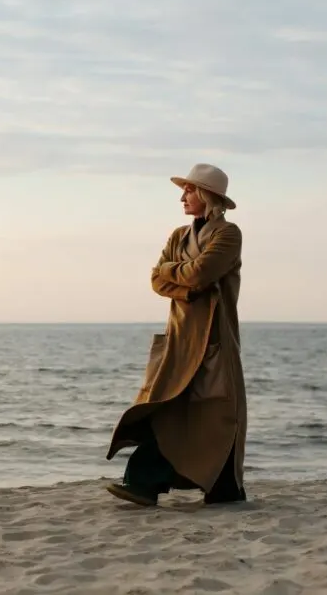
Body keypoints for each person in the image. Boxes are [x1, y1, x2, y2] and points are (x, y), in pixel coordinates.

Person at [105, 163, 248, 506]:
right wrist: (184, 286)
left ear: (206, 195)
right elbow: (157, 280)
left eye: (188, 190)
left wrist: (176, 275)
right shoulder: (177, 236)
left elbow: (201, 273)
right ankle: (143, 483)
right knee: (165, 409)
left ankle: (223, 489)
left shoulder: (228, 235)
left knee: (216, 416)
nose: (182, 196)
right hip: (179, 339)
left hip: (215, 340)